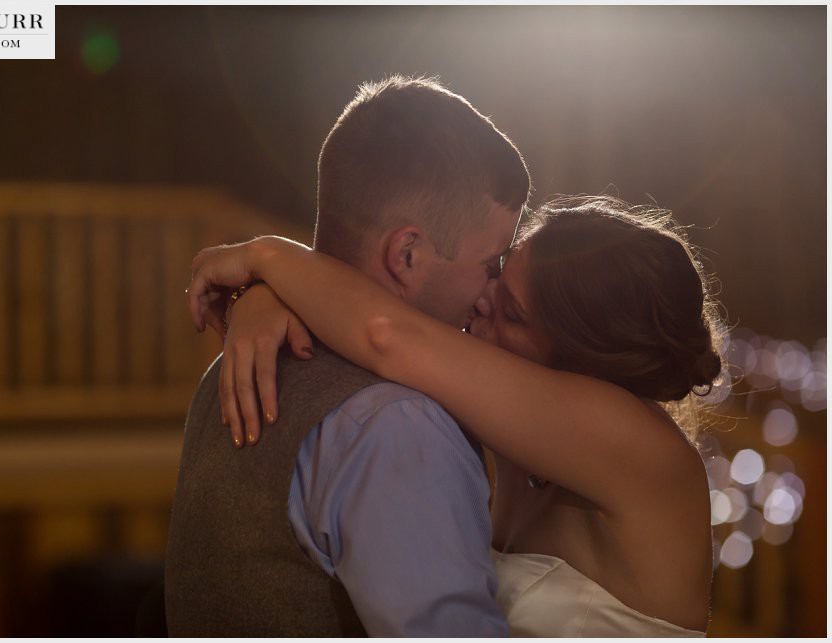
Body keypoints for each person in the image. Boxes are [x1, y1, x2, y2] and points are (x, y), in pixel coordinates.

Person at [186, 195, 721, 636]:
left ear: (585, 355)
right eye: (496, 275)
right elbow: (380, 319)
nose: (482, 299)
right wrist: (265, 299)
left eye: (511, 312)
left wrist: (267, 258)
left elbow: (388, 336)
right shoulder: (521, 437)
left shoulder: (633, 443)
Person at [165, 75, 530, 636]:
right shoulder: (396, 424)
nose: (493, 293)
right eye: (492, 264)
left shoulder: (231, 364)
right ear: (406, 254)